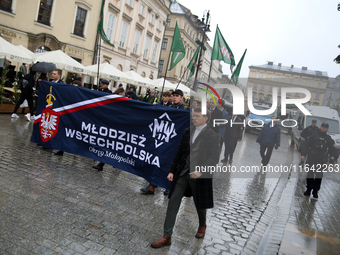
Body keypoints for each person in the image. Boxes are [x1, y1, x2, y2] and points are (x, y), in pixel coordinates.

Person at [150, 107, 220, 248]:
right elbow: (179, 152)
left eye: (197, 116)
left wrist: (201, 171)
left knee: (200, 204)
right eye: (193, 116)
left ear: (206, 118)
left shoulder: (213, 136)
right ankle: (166, 236)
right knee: (173, 202)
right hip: (182, 173)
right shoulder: (188, 131)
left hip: (199, 176)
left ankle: (202, 225)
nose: (193, 118)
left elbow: (214, 158)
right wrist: (171, 170)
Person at [301, 123, 335, 199]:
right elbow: (306, 144)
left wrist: (331, 161)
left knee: (319, 176)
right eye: (322, 127)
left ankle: (315, 191)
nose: (323, 128)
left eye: (325, 127)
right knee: (310, 175)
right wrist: (303, 154)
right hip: (312, 158)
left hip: (322, 160)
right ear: (320, 127)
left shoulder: (328, 139)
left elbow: (332, 150)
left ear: (327, 129)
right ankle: (308, 189)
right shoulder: (314, 136)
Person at [92, 80, 113, 171]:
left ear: (107, 85)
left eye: (104, 84)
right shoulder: (99, 90)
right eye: (101, 84)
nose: (102, 85)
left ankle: (101, 164)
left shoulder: (109, 93)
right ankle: (99, 162)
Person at [51, 69, 65, 156]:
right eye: (52, 73)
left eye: (54, 74)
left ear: (59, 75)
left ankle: (60, 149)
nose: (52, 75)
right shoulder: (49, 82)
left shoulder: (62, 85)